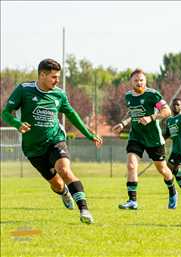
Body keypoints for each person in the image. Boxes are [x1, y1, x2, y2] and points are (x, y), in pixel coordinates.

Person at [1, 58, 103, 224]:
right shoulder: (24, 90)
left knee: (64, 170)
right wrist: (17, 124)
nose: (57, 81)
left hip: (55, 140)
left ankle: (84, 210)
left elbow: (72, 114)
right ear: (42, 75)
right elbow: (5, 113)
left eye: (58, 77)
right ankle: (64, 192)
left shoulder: (59, 94)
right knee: (56, 184)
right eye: (54, 77)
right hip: (33, 148)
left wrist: (89, 134)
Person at [112, 68, 178, 210]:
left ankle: (172, 191)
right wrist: (123, 123)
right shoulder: (128, 96)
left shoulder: (152, 95)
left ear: (145, 81)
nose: (139, 83)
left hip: (153, 139)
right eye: (136, 80)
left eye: (141, 80)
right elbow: (133, 112)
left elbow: (167, 111)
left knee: (163, 170)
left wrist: (151, 117)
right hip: (136, 136)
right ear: (131, 82)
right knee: (131, 165)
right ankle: (132, 201)